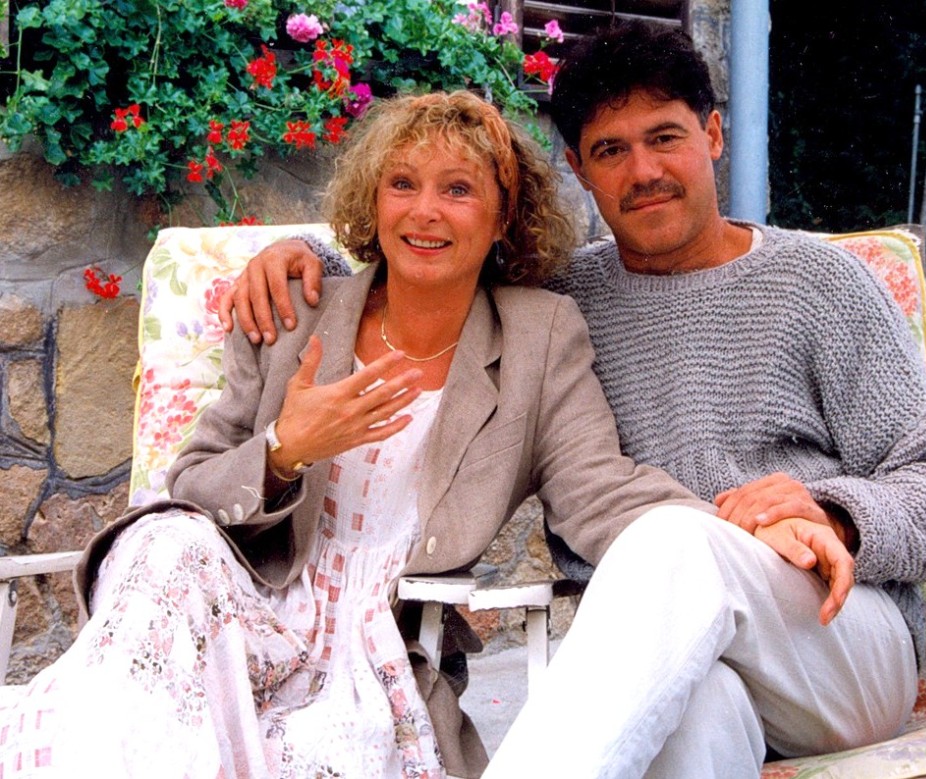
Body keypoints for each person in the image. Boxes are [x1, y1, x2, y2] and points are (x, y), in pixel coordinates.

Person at [220, 22, 926, 779]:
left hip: (833, 636)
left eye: (665, 138)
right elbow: (433, 264)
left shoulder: (822, 285)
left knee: (674, 540)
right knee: (688, 723)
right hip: (665, 655)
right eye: (612, 151)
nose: (643, 170)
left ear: (714, 135)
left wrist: (834, 513)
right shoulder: (558, 303)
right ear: (581, 170)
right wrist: (301, 258)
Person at [0, 91, 717, 778]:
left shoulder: (540, 334)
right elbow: (190, 488)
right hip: (232, 604)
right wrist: (284, 450)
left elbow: (597, 491)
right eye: (402, 184)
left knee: (311, 744)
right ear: (374, 202)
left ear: (504, 217)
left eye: (458, 189)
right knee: (165, 541)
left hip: (370, 642)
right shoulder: (296, 310)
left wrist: (734, 526)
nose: (424, 211)